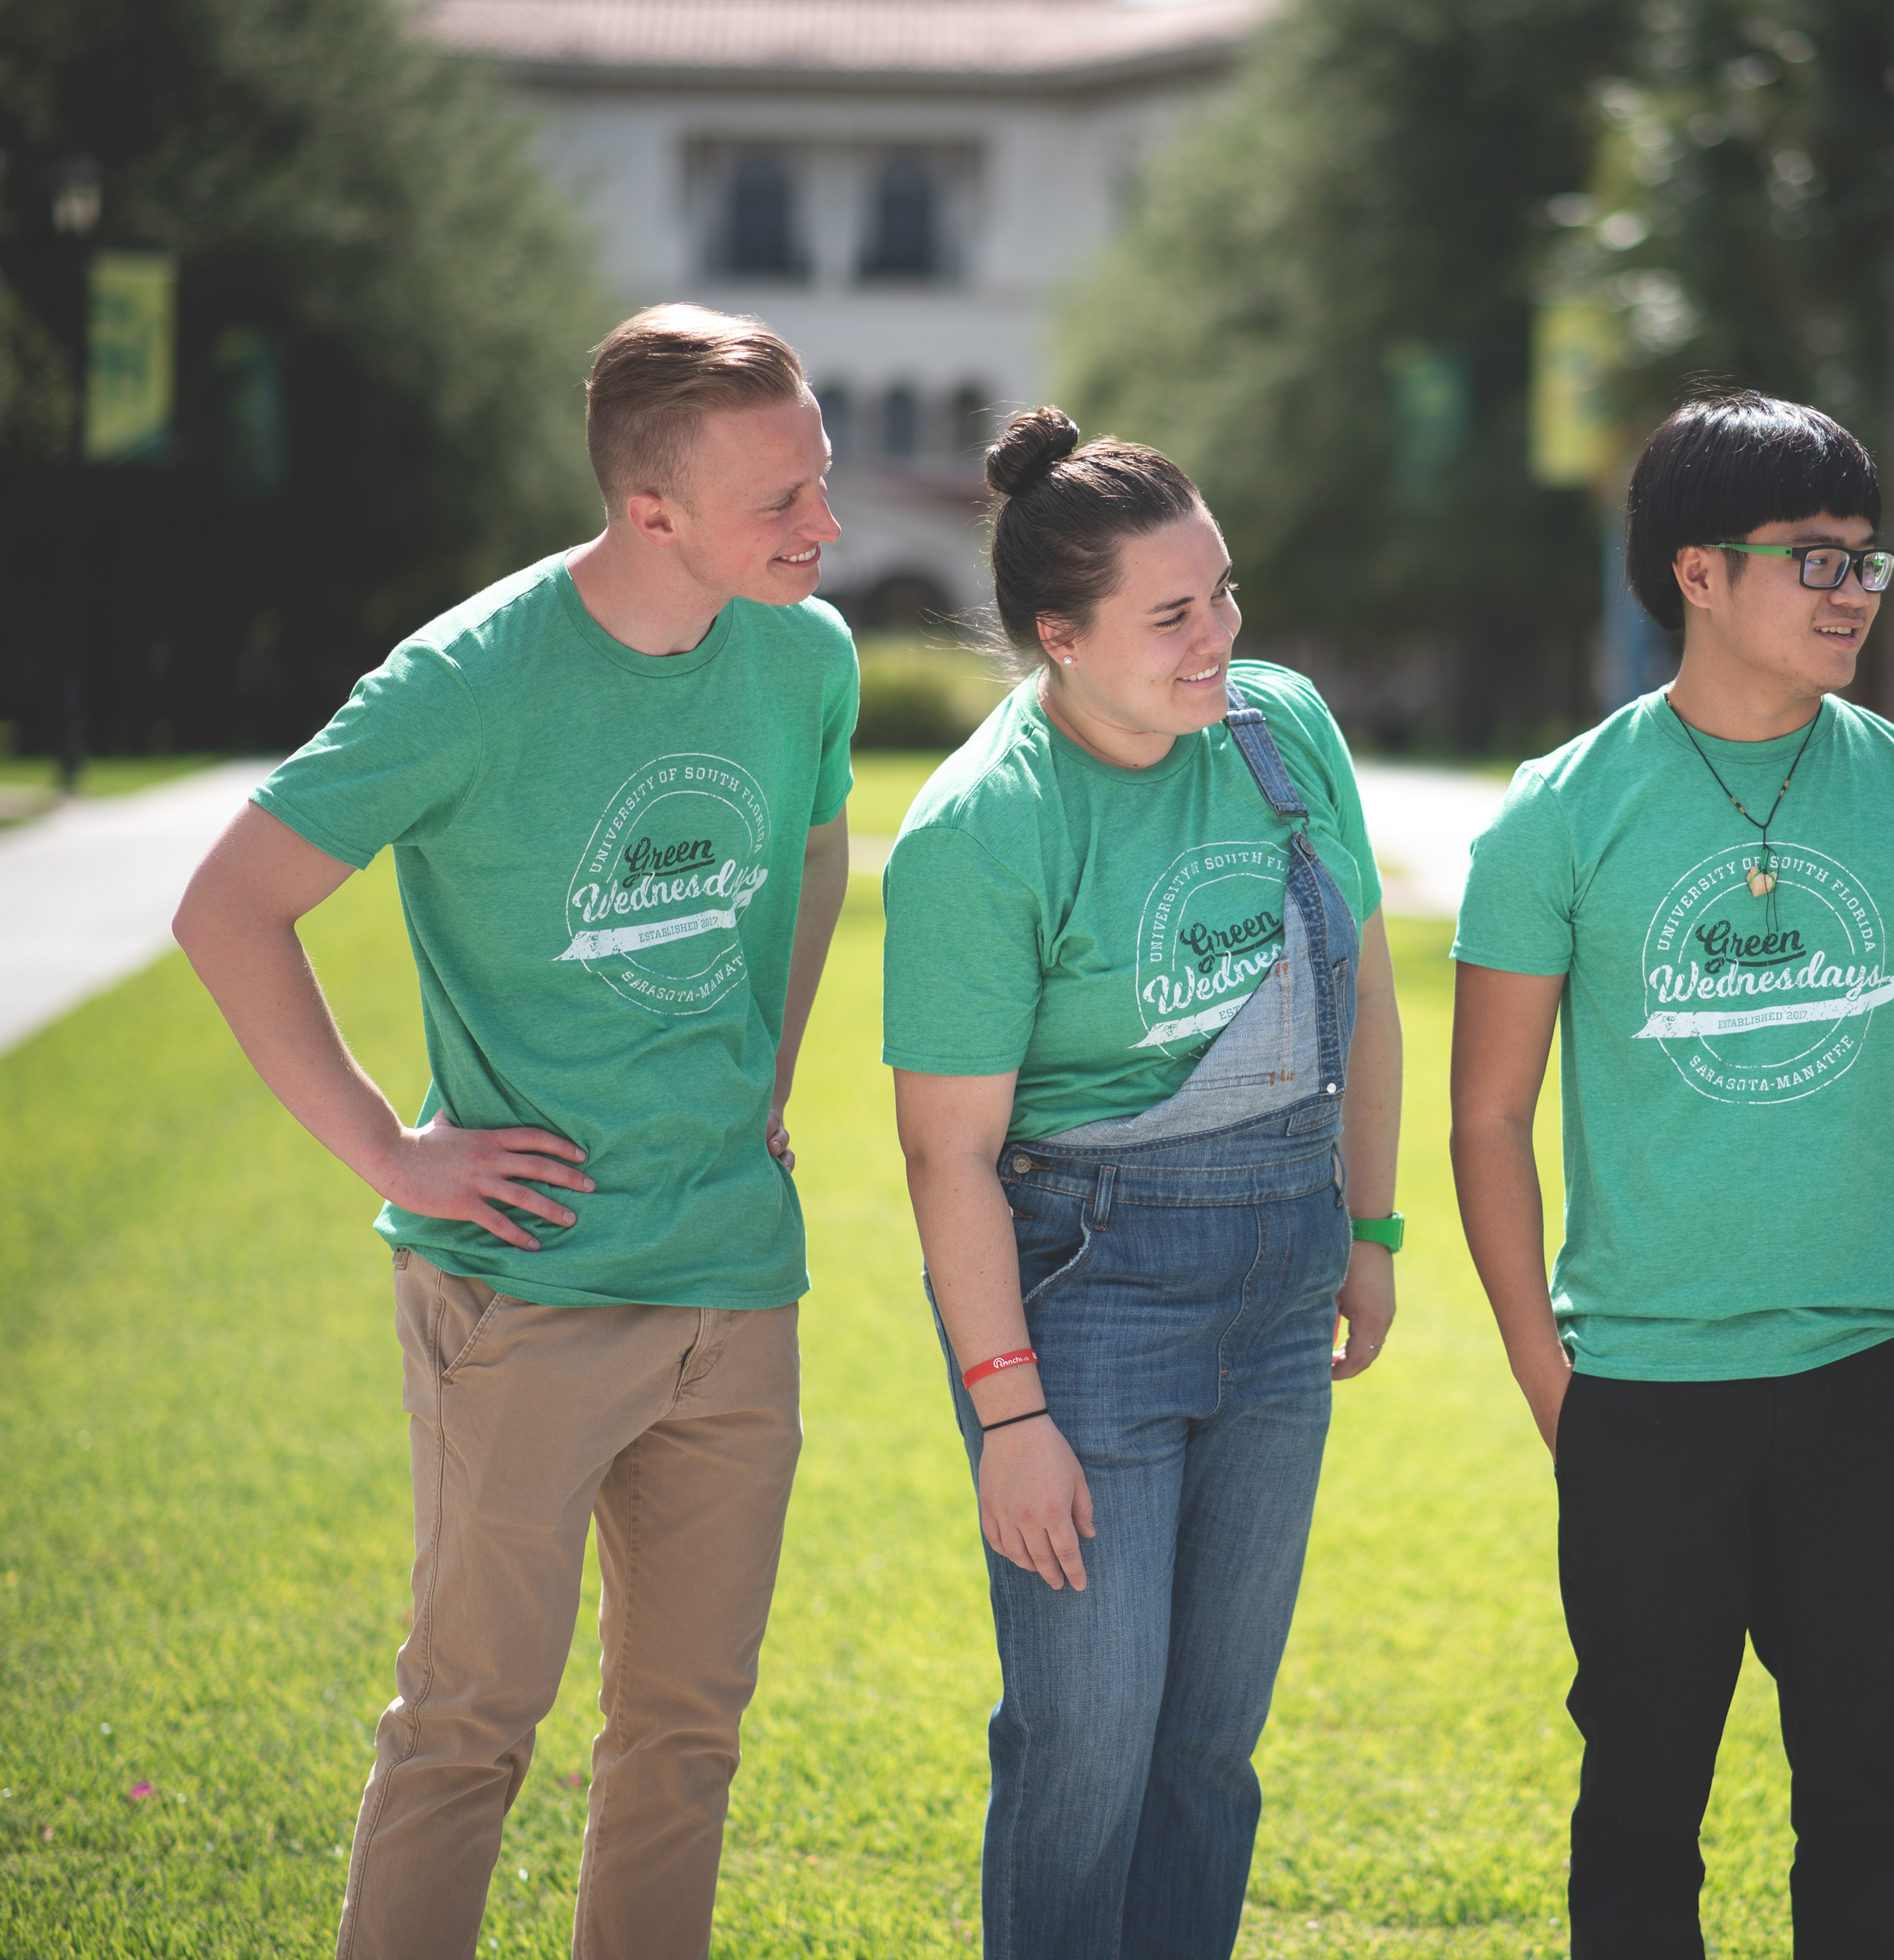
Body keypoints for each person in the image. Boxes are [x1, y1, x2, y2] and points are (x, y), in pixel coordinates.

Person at [170, 305, 855, 1960]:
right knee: (469, 1727)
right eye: (781, 500)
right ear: (652, 513)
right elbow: (228, 909)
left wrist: (766, 1076)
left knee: (686, 1738)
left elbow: (819, 854)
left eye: (819, 477)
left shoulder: (805, 656)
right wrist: (394, 1158)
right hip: (525, 1291)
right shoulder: (464, 683)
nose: (822, 525)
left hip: (734, 1280)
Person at [1449, 389, 1894, 1958]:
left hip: (1867, 1381)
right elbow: (1488, 1118)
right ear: (1697, 574)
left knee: (1864, 1792)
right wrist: (1549, 1375)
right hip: (1638, 1391)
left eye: (1867, 557)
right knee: (1639, 1805)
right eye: (1814, 557)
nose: (1854, 589)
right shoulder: (1558, 814)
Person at [883, 406, 1403, 1958]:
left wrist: (1366, 1231)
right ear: (1060, 636)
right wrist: (1012, 1414)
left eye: (1225, 592)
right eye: (1173, 616)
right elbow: (946, 1154)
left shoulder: (1280, 726)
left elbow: (1362, 980)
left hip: (1283, 1280)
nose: (1219, 639)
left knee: (1205, 1752)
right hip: (1082, 1303)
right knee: (1087, 1745)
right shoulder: (986, 828)